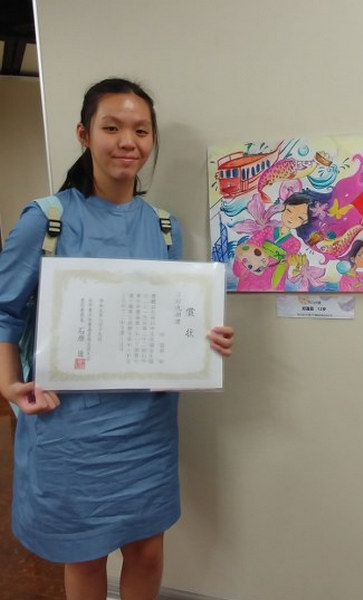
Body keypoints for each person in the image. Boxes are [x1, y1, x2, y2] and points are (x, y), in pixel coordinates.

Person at [0, 77, 234, 600]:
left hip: (146, 425)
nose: (128, 141)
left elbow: (164, 316)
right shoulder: (47, 219)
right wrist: (8, 384)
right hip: (70, 427)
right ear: (84, 135)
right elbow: (4, 311)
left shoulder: (164, 225)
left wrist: (204, 341)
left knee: (147, 549)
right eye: (112, 128)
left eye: (141, 130)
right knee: (86, 555)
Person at [232, 191, 311, 291]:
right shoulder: (268, 230)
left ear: (305, 221)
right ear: (284, 208)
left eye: (300, 217)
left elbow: (287, 262)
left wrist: (294, 263)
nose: (292, 217)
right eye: (289, 211)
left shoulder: (295, 243)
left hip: (273, 276)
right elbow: (251, 244)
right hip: (254, 270)